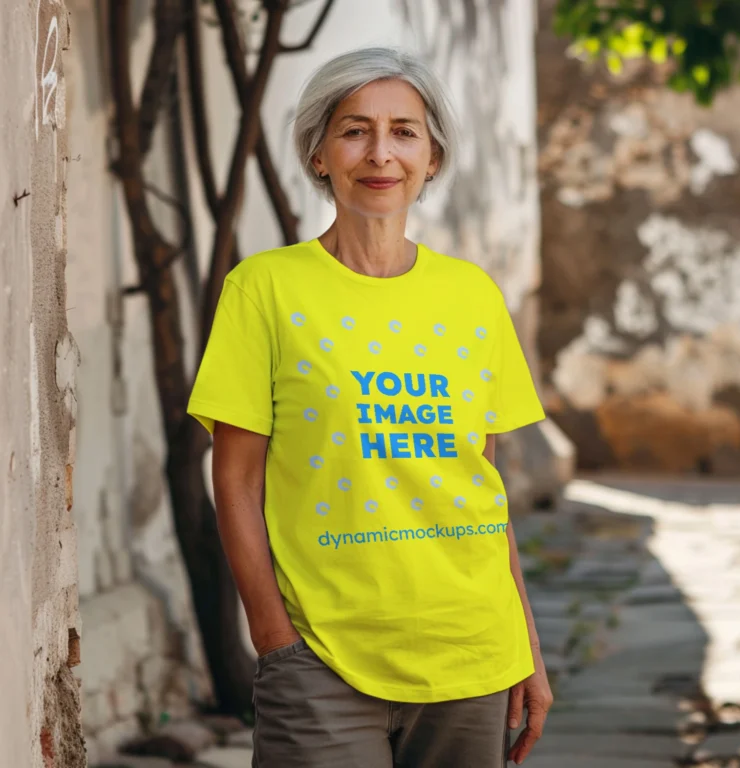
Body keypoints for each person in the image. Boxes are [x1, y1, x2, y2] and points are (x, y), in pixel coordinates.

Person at [188, 46, 552, 768]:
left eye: (404, 132)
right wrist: (275, 639)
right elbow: (235, 479)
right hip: (321, 656)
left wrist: (527, 649)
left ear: (432, 157)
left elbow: (479, 485)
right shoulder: (263, 290)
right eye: (355, 130)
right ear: (319, 153)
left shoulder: (473, 296)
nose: (380, 153)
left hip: (471, 649)